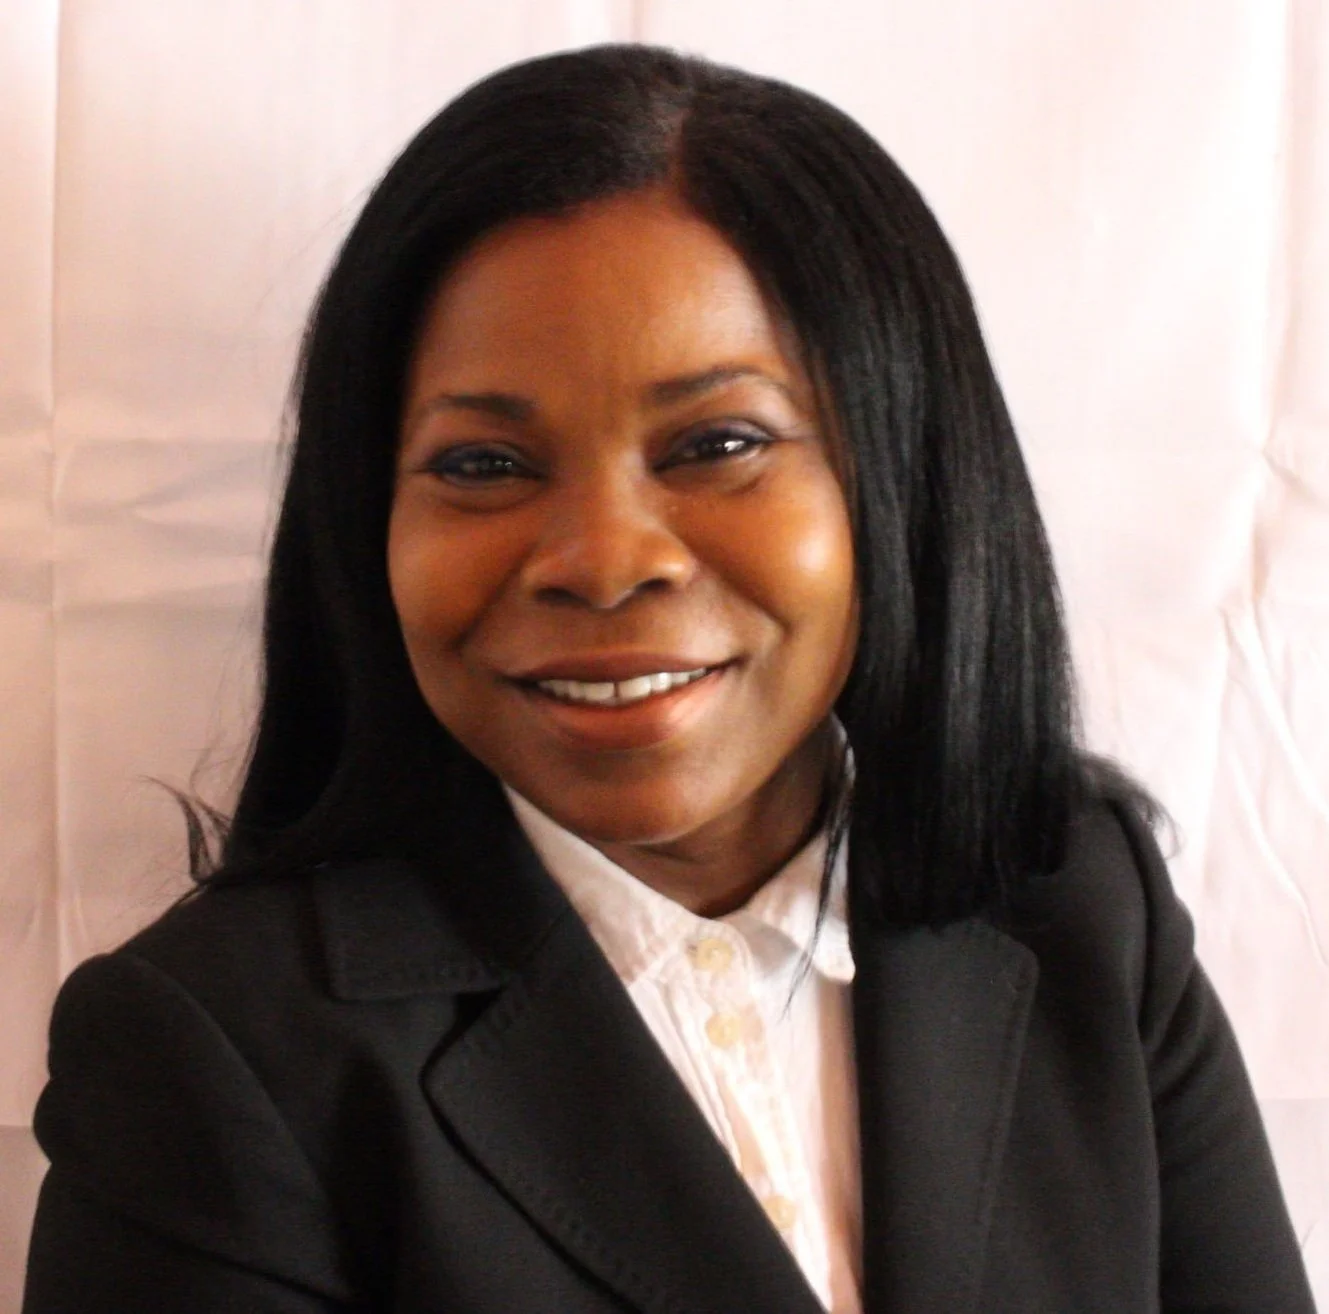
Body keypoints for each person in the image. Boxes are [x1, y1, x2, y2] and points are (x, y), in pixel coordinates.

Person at [22, 44, 1315, 1314]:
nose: (603, 561)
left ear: (899, 478)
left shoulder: (1082, 906)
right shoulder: (208, 1058)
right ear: (369, 524)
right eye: (483, 464)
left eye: (718, 442)